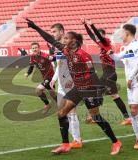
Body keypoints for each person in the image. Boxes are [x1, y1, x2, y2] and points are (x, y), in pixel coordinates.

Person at [26, 19, 122, 155]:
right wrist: (35, 27)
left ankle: (115, 142)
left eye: (66, 38)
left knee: (96, 117)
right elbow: (49, 39)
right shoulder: (66, 51)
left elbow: (93, 75)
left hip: (88, 89)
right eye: (64, 38)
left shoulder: (84, 55)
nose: (63, 40)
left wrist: (97, 94)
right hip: (77, 89)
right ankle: (65, 144)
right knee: (61, 113)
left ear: (74, 41)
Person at [81, 18, 131, 125]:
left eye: (100, 35)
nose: (97, 38)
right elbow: (92, 36)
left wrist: (92, 25)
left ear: (103, 35)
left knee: (100, 91)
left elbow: (97, 36)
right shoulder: (101, 45)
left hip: (109, 73)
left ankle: (95, 116)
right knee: (109, 94)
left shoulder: (106, 42)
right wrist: (85, 25)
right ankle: (126, 117)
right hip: (108, 73)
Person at [109, 24, 138, 150]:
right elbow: (117, 58)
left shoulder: (137, 46)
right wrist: (111, 54)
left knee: (134, 110)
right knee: (134, 112)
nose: (120, 35)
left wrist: (131, 77)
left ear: (127, 33)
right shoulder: (127, 48)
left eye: (122, 32)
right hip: (131, 83)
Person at [49, 23, 82, 149]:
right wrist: (53, 79)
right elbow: (59, 66)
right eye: (52, 32)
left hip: (70, 82)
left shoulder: (69, 46)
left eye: (54, 31)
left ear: (62, 31)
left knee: (71, 111)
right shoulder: (57, 48)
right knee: (62, 112)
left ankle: (77, 140)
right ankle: (75, 138)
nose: (53, 34)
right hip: (61, 83)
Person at [25, 42, 57, 114]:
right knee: (52, 94)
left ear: (39, 48)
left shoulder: (45, 55)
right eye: (33, 48)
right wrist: (27, 73)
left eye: (36, 47)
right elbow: (31, 66)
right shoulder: (32, 57)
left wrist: (59, 56)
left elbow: (54, 58)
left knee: (38, 90)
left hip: (50, 77)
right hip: (45, 77)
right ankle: (61, 105)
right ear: (31, 49)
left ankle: (47, 105)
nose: (34, 49)